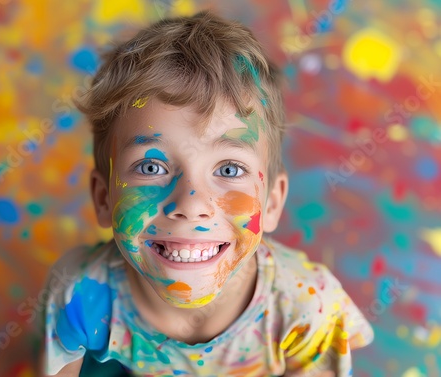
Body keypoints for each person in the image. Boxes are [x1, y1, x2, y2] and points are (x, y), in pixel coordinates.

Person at [40, 11, 373, 377]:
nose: (191, 204)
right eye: (151, 167)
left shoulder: (308, 307)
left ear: (273, 202)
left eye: (229, 169)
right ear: (104, 199)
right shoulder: (81, 295)